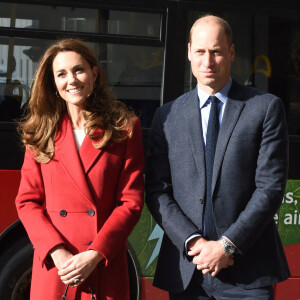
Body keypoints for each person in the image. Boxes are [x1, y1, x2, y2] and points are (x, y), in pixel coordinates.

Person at [145, 15, 290, 299]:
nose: (207, 62)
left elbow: (270, 188)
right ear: (188, 53)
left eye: (216, 51)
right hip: (188, 269)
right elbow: (157, 190)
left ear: (232, 52)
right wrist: (194, 242)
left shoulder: (265, 108)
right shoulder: (167, 116)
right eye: (200, 52)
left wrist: (226, 246)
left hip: (248, 274)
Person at [15, 38, 144, 300]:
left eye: (79, 70)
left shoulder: (124, 129)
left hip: (103, 264)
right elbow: (27, 202)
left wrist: (95, 255)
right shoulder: (41, 132)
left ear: (94, 73)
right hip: (57, 268)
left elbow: (131, 202)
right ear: (53, 83)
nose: (71, 80)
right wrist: (57, 252)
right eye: (61, 74)